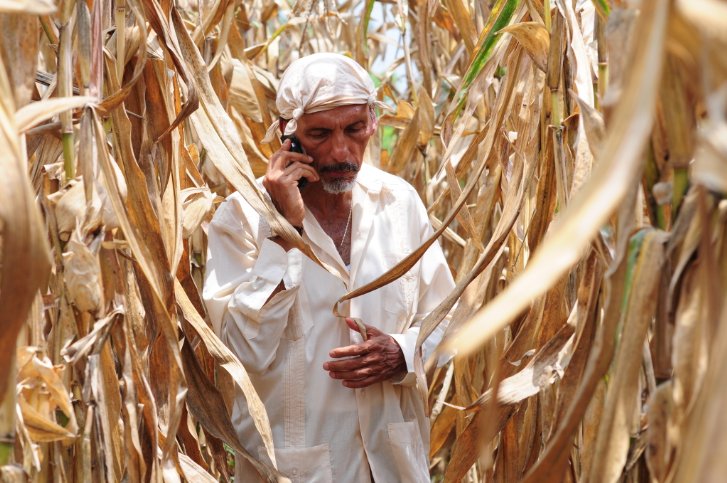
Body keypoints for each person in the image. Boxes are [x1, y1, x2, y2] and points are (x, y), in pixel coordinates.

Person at [203, 53, 455, 482]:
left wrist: (404, 351)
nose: (341, 151)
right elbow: (242, 354)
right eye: (320, 134)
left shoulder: (399, 203)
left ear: (373, 122)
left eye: (354, 129)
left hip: (394, 468)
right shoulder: (242, 218)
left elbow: (447, 314)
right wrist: (285, 233)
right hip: (295, 470)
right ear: (289, 136)